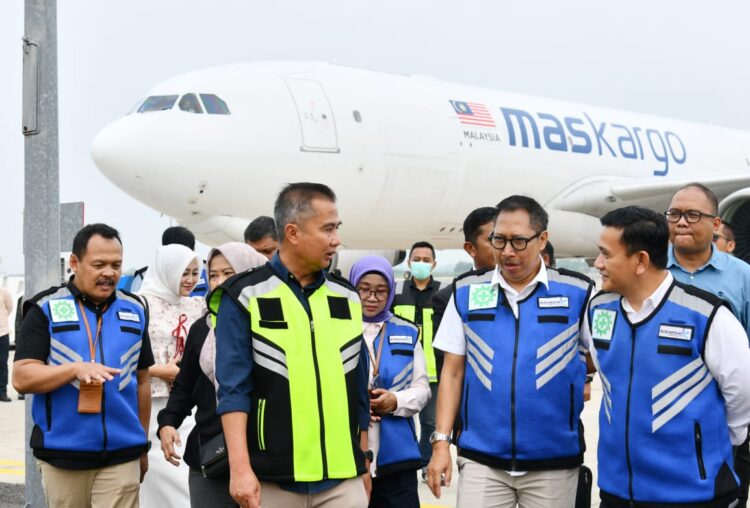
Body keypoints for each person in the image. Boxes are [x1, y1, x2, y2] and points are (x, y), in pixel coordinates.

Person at [428, 195, 593, 507]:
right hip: (482, 461)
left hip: (553, 463)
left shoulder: (578, 292)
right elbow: (452, 371)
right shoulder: (465, 291)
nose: (507, 252)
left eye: (518, 241)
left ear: (542, 239)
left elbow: (603, 361)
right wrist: (441, 443)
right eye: (499, 240)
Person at [213, 182, 371, 508]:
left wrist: (364, 461)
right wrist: (240, 469)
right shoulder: (244, 295)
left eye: (337, 228)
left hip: (342, 479)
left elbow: (357, 389)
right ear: (293, 233)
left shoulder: (347, 297)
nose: (336, 240)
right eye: (327, 229)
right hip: (273, 480)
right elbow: (232, 390)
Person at [586, 206, 750, 507]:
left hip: (694, 496)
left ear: (641, 261)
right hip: (617, 494)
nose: (597, 263)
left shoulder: (707, 315)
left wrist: (707, 448)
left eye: (606, 255)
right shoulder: (599, 310)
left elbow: (742, 397)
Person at [12, 223, 153, 508]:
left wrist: (142, 445)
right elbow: (22, 376)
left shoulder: (135, 309)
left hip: (122, 456)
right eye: (99, 264)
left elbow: (142, 381)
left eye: (116, 265)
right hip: (64, 457)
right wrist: (73, 370)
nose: (109, 273)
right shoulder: (45, 308)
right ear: (75, 263)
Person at [157, 242, 267, 508]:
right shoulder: (201, 328)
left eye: (228, 274)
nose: (218, 283)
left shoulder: (271, 326)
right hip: (213, 455)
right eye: (213, 275)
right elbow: (185, 387)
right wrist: (168, 422)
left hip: (264, 459)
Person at [665, 183, 750, 507]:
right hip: (659, 428)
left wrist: (736, 431)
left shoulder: (742, 278)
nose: (682, 222)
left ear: (716, 224)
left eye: (692, 215)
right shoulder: (648, 269)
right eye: (674, 214)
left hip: (724, 430)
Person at [349, 256, 431, 508]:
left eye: (380, 291)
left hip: (397, 457)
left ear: (391, 292)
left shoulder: (407, 332)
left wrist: (395, 401)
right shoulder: (336, 329)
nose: (372, 297)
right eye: (364, 289)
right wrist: (357, 406)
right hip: (349, 455)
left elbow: (422, 388)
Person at [138, 243, 207, 508]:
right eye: (183, 273)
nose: (190, 280)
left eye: (194, 272)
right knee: (154, 478)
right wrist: (160, 370)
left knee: (183, 473)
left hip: (186, 403)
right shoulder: (140, 304)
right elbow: (126, 357)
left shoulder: (197, 305)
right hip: (150, 402)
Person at [391, 240, 444, 475]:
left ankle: (424, 463)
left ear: (434, 264)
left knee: (431, 422)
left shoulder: (443, 294)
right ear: (409, 262)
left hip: (433, 371)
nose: (421, 264)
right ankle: (404, 460)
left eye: (426, 260)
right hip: (403, 369)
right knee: (402, 419)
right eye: (417, 259)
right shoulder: (397, 293)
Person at [432, 207, 496, 382]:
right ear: (470, 248)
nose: (504, 247)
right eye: (494, 240)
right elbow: (448, 368)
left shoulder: (528, 289)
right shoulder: (452, 296)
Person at [0, 286, 13, 402]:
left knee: (3, 364)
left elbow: (9, 308)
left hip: (2, 333)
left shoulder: (3, 291)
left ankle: (2, 392)